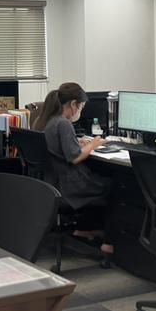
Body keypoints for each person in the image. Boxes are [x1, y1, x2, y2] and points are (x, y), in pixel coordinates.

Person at [33, 82, 115, 258]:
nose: (81, 111)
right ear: (73, 104)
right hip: (69, 186)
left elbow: (58, 147)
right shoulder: (63, 123)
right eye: (81, 107)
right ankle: (108, 242)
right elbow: (75, 157)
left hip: (52, 183)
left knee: (102, 179)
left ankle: (84, 228)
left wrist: (77, 142)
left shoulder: (45, 120)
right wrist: (94, 144)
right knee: (114, 186)